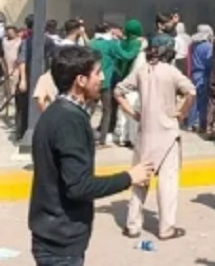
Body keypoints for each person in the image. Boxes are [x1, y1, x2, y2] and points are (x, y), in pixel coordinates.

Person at [28, 45, 152, 266]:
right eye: (97, 73)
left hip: (53, 234)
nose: (102, 78)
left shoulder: (58, 112)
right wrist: (129, 177)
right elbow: (79, 187)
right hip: (61, 242)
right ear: (81, 80)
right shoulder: (69, 121)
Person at [116, 34, 195, 241]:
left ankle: (133, 226)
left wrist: (134, 114)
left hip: (145, 135)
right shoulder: (172, 72)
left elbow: (118, 92)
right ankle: (166, 228)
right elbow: (191, 92)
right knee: (167, 184)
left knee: (139, 181)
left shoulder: (141, 71)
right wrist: (182, 112)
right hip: (168, 135)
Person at [89, 22, 139, 147]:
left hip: (92, 82)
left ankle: (83, 134)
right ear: (108, 31)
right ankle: (102, 140)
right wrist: (137, 46)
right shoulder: (111, 44)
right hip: (106, 82)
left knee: (90, 110)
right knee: (107, 111)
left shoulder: (91, 43)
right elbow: (127, 56)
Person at [16, 14, 55, 141]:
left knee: (43, 104)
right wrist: (23, 80)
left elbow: (52, 60)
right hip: (29, 76)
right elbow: (22, 61)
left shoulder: (48, 42)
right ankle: (22, 133)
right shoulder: (26, 42)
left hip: (44, 77)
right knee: (24, 107)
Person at [113, 20, 145, 148]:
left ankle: (121, 137)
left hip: (122, 80)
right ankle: (132, 138)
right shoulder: (139, 45)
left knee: (122, 110)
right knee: (133, 110)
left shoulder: (122, 43)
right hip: (134, 83)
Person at [187, 24, 213, 132]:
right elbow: (209, 62)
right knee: (203, 100)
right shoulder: (208, 46)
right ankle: (201, 124)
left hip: (194, 74)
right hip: (203, 75)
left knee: (194, 100)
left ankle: (191, 122)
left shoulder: (193, 45)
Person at [1, 25, 21, 116]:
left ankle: (13, 112)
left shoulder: (20, 42)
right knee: (5, 91)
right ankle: (4, 111)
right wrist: (5, 69)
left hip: (16, 69)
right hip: (5, 69)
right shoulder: (4, 41)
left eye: (11, 32)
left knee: (14, 92)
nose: (9, 34)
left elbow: (20, 57)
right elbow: (2, 56)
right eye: (8, 32)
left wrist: (14, 69)